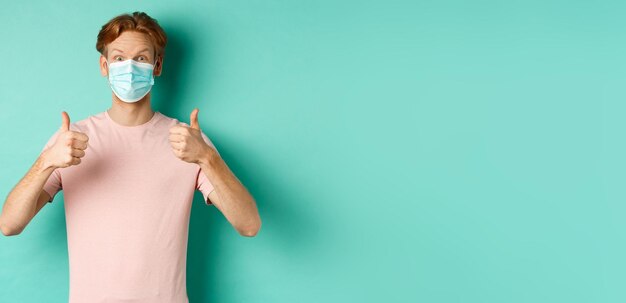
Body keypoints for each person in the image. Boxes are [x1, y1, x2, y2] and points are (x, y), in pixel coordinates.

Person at [0, 11, 261, 302]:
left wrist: (207, 158)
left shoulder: (187, 141)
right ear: (104, 65)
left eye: (141, 58)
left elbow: (249, 224)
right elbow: (10, 224)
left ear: (157, 65)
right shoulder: (71, 141)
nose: (130, 67)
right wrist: (46, 161)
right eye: (119, 58)